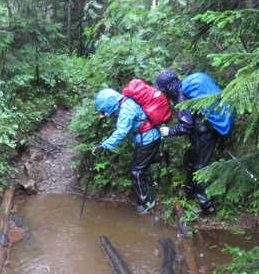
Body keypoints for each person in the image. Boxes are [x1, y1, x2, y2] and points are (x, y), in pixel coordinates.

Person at [154, 70, 234, 216]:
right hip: (204, 133)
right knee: (189, 160)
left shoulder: (182, 97)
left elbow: (186, 126)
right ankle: (190, 191)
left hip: (205, 135)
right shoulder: (185, 90)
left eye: (163, 91)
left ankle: (207, 206)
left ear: (168, 88)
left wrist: (169, 132)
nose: (164, 95)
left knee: (200, 169)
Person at [93, 87, 162, 214]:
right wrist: (106, 115)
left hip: (148, 140)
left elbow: (121, 131)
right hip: (147, 139)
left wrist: (104, 146)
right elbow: (122, 117)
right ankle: (146, 198)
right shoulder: (126, 103)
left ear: (109, 103)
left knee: (137, 171)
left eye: (104, 108)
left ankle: (147, 203)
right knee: (138, 168)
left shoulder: (126, 108)